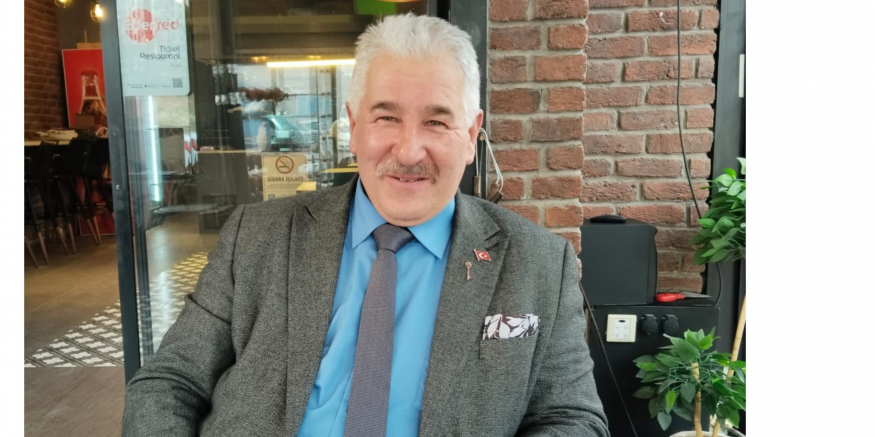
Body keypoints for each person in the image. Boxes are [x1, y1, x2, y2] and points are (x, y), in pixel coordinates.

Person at [122, 13, 608, 437]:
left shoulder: (539, 263)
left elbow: (571, 418)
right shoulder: (256, 236)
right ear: (353, 128)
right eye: (386, 117)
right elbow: (170, 381)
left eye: (437, 122)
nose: (409, 151)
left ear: (470, 135)